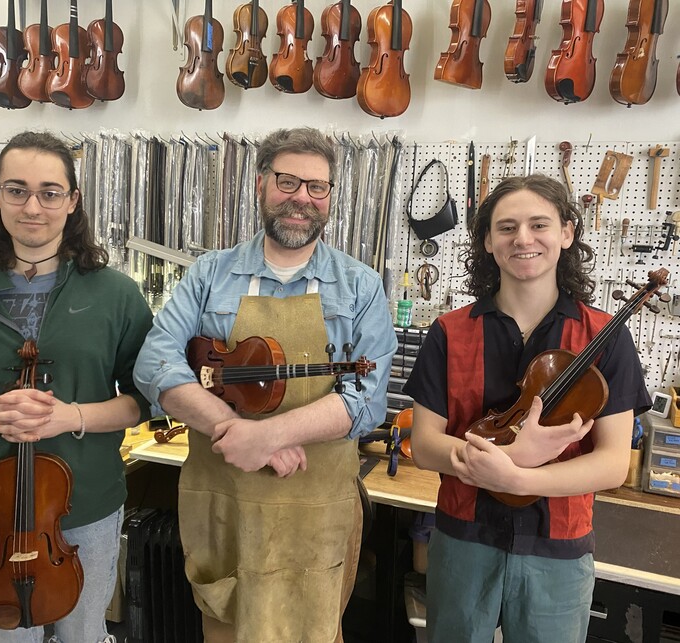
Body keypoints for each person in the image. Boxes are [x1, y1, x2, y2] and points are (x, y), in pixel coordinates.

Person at [134, 127, 397, 642]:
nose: (302, 197)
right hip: (224, 503)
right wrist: (233, 427)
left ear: (329, 196)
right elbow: (155, 363)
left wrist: (268, 437)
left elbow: (367, 401)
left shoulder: (360, 285)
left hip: (313, 512)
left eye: (316, 187)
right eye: (287, 181)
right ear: (260, 185)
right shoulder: (211, 274)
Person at [0, 131, 152, 643]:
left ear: (73, 200)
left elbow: (142, 401)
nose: (33, 206)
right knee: (4, 638)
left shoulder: (117, 295)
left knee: (83, 636)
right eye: (17, 190)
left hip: (83, 504)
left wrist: (73, 417)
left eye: (49, 191)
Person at [403, 174, 651, 643]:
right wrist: (508, 457)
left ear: (567, 234)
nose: (523, 239)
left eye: (539, 224)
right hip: (462, 540)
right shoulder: (449, 332)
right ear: (487, 242)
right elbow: (425, 446)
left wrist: (521, 478)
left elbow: (613, 463)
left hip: (557, 550)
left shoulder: (606, 337)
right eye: (507, 227)